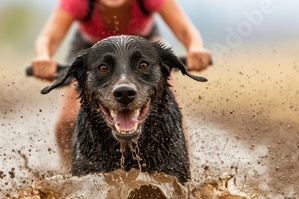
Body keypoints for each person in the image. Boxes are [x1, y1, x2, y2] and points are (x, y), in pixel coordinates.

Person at [32, 0, 212, 167]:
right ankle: (69, 170)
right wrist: (43, 56)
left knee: (173, 109)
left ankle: (178, 161)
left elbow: (185, 31)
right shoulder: (78, 2)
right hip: (92, 53)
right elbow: (48, 38)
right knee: (66, 122)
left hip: (143, 49)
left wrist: (195, 48)